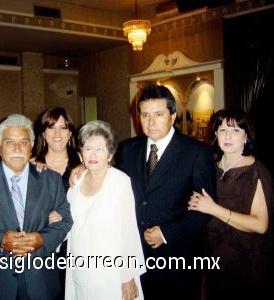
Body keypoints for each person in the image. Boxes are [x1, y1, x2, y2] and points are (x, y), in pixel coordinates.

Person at [70, 84, 216, 300]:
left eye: (158, 114)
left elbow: (204, 210)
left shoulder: (196, 152)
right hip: (136, 256)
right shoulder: (129, 148)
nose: (151, 122)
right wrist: (85, 165)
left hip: (176, 257)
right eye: (145, 115)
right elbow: (109, 176)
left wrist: (166, 234)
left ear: (173, 115)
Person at [0, 114, 73, 300]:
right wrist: (0, 240)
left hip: (42, 281)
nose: (17, 149)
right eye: (9, 142)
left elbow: (65, 221)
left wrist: (41, 240)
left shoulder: (50, 180)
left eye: (24, 142)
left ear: (32, 146)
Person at [188, 107, 274, 300]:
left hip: (246, 266)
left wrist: (213, 208)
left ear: (246, 137)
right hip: (215, 262)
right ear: (215, 134)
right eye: (222, 129)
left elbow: (260, 225)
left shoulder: (256, 172)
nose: (228, 135)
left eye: (235, 130)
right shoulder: (211, 168)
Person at [64, 120, 145, 300]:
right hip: (79, 267)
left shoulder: (119, 182)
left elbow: (128, 232)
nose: (93, 154)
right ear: (80, 153)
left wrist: (128, 278)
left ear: (110, 154)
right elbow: (66, 222)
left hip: (111, 274)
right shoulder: (76, 181)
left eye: (100, 149)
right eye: (88, 148)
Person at [32, 107, 82, 299]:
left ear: (70, 133)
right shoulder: (31, 165)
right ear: (43, 133)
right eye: (51, 128)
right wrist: (42, 217)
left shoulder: (85, 161)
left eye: (63, 127)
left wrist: (83, 165)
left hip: (77, 243)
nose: (58, 134)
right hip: (45, 244)